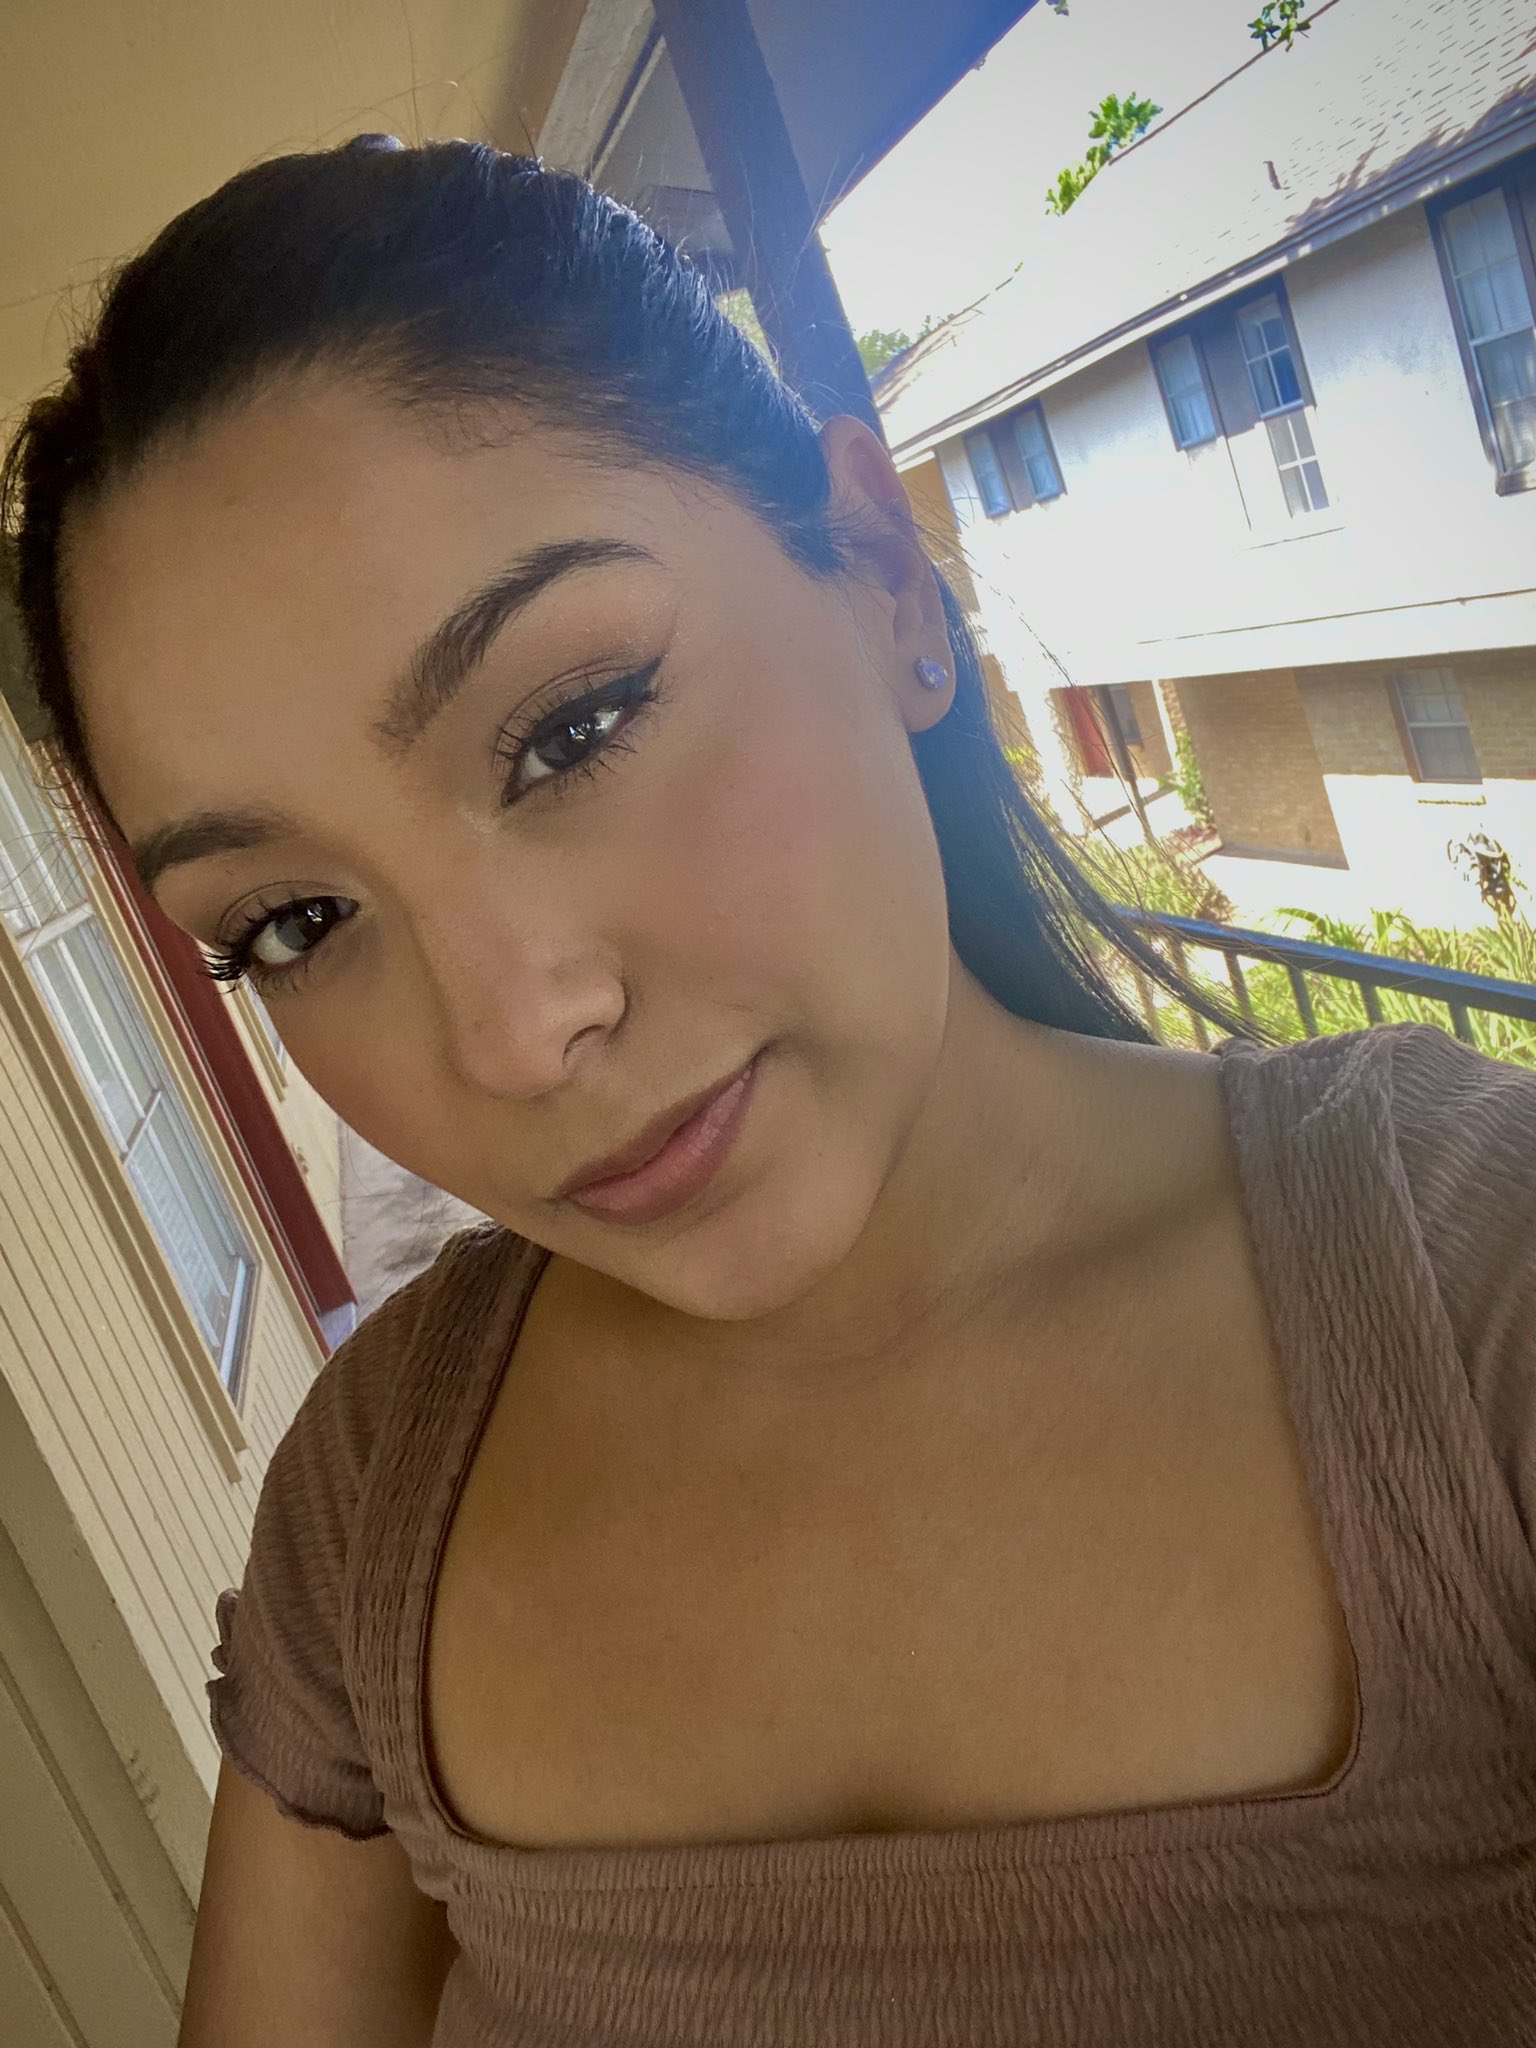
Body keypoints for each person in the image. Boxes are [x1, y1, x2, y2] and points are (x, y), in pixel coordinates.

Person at [3, 135, 1533, 2048]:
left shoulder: (1473, 1298)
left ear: (884, 577)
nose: (513, 1036)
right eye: (296, 921)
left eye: (572, 727)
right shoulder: (379, 1502)